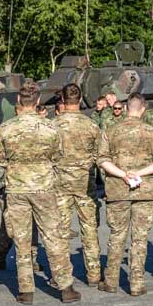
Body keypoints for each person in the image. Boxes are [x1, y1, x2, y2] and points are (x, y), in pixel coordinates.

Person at [0, 81, 80, 305]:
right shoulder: (50, 128)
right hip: (44, 187)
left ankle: (26, 290)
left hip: (17, 188)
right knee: (53, 237)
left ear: (18, 102)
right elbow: (58, 156)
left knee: (22, 240)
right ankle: (66, 287)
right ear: (38, 101)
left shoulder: (6, 128)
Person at [98, 94, 153, 296]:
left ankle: (111, 280)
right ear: (143, 108)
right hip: (144, 191)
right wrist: (140, 173)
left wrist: (123, 174)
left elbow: (102, 159)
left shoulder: (110, 131)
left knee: (117, 235)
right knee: (140, 239)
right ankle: (136, 283)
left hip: (117, 190)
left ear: (126, 107)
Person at [52, 83, 104, 286]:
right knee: (89, 229)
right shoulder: (91, 125)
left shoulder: (53, 125)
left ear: (63, 101)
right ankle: (93, 274)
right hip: (85, 183)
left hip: (60, 183)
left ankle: (62, 274)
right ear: (80, 100)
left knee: (61, 231)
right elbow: (100, 155)